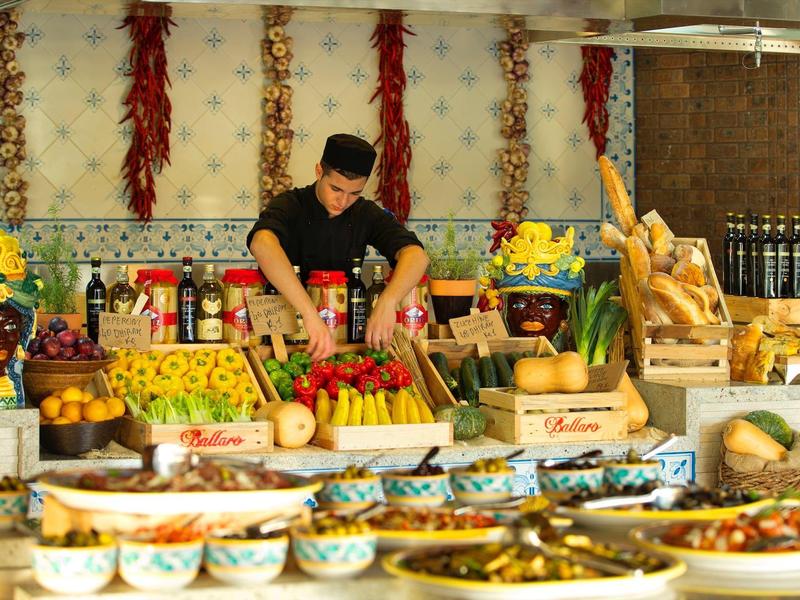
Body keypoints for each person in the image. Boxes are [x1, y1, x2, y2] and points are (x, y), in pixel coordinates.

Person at [247, 133, 429, 361]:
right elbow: (262, 244)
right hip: (287, 340)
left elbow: (416, 256)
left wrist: (388, 301)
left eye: (354, 193)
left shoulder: (365, 213)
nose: (343, 201)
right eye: (335, 189)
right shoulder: (291, 204)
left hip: (344, 342)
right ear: (318, 172)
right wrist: (310, 315)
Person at [478, 220, 585, 351]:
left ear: (565, 313)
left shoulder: (572, 363)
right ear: (505, 312)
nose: (532, 313)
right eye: (518, 304)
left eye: (546, 305)